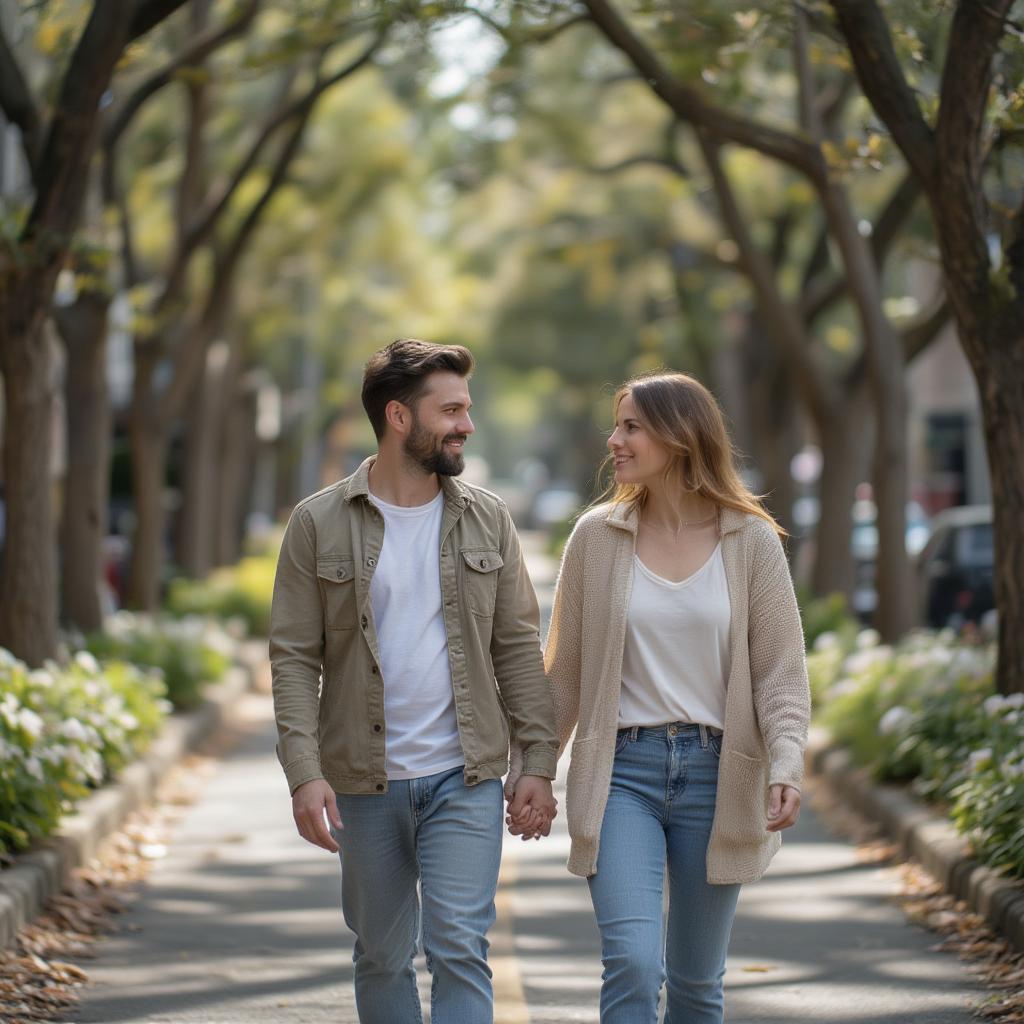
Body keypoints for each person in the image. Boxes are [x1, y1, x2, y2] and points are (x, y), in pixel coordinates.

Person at [269, 339, 558, 1024]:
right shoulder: (318, 522)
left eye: (467, 408)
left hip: (465, 775)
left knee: (459, 945)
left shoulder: (486, 517)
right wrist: (303, 773)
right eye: (451, 409)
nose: (467, 424)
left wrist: (537, 760)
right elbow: (292, 657)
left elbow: (517, 646)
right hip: (363, 783)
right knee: (381, 954)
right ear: (400, 417)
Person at [509, 371, 810, 1023]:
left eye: (631, 426)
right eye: (616, 425)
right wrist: (534, 767)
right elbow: (563, 672)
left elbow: (780, 671)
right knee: (634, 963)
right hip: (623, 776)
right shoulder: (598, 537)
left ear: (679, 436)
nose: (613, 440)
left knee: (698, 985)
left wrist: (786, 762)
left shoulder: (750, 541)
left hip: (718, 775)